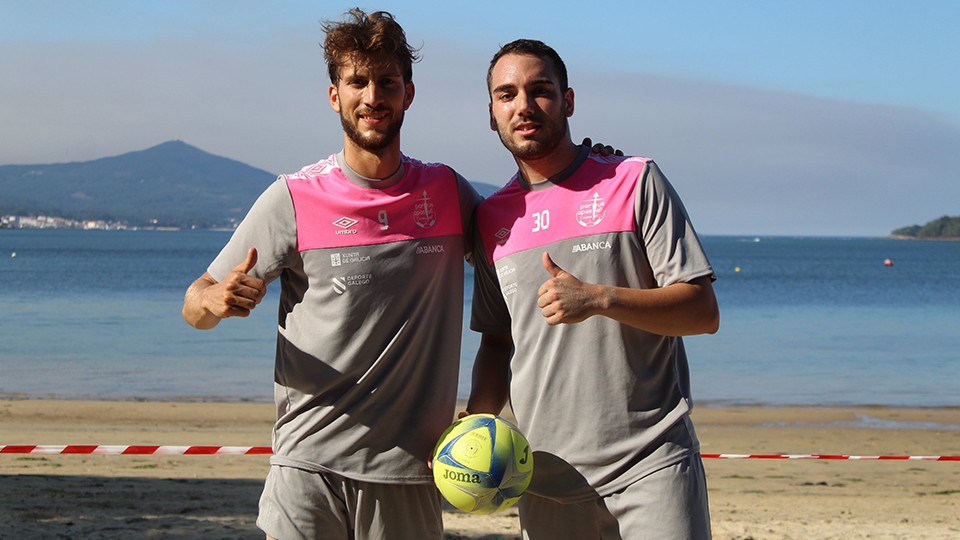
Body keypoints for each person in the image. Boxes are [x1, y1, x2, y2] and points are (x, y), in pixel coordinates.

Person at [181, 9, 481, 539]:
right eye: (357, 82)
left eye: (387, 82)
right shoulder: (294, 197)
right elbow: (194, 304)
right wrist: (216, 300)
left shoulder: (446, 192)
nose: (373, 97)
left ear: (409, 94)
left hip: (409, 474)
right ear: (334, 96)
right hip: (307, 467)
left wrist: (588, 170)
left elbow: (523, 239)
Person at [466, 39, 720, 539]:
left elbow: (702, 311)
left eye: (541, 90)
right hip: (544, 476)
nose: (524, 106)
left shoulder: (633, 179)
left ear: (569, 101)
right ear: (491, 114)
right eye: (507, 94)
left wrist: (601, 298)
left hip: (651, 461)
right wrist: (473, 424)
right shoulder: (492, 217)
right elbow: (497, 341)